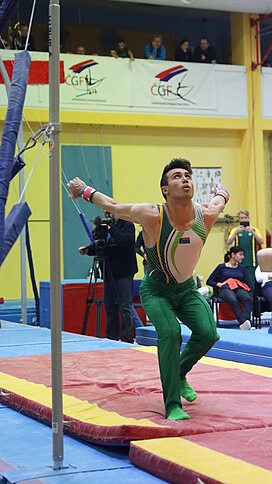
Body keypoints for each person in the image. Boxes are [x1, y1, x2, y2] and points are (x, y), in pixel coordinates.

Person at [67, 158, 228, 421]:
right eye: (177, 176)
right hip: (156, 290)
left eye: (187, 175)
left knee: (209, 334)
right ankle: (172, 403)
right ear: (165, 189)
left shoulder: (206, 215)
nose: (185, 179)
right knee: (171, 332)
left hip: (186, 290)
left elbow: (221, 200)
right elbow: (114, 206)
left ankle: (178, 373)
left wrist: (222, 191)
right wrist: (84, 189)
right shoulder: (152, 215)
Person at [78, 215, 138, 343]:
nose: (107, 215)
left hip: (124, 272)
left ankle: (127, 337)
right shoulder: (105, 227)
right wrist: (88, 250)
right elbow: (101, 245)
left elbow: (126, 242)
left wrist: (111, 229)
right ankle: (112, 337)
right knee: (110, 306)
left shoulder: (127, 225)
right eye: (105, 212)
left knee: (125, 306)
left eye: (109, 211)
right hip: (108, 271)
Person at [206, 246, 253, 330]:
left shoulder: (241, 268)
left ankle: (246, 321)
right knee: (233, 300)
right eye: (240, 254)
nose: (243, 257)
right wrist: (219, 284)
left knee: (247, 298)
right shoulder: (221, 267)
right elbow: (209, 281)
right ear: (233, 255)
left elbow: (247, 282)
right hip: (225, 288)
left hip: (237, 288)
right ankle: (243, 322)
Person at [225, 210, 264, 293]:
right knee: (240, 283)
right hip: (238, 263)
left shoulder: (254, 230)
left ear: (248, 218)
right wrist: (236, 232)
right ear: (239, 220)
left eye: (245, 218)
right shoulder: (235, 230)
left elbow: (261, 241)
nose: (243, 220)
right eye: (241, 218)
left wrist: (252, 232)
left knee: (251, 284)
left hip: (251, 262)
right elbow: (228, 242)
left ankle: (252, 303)